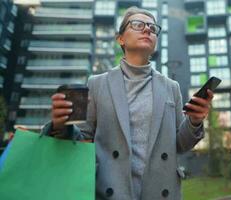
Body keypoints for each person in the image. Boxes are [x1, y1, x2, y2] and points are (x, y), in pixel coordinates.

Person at [42, 6, 214, 200]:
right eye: (138, 24)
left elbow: (180, 145)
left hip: (163, 192)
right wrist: (61, 125)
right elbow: (83, 139)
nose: (147, 29)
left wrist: (194, 121)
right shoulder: (97, 83)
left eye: (152, 27)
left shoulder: (170, 87)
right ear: (120, 39)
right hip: (109, 191)